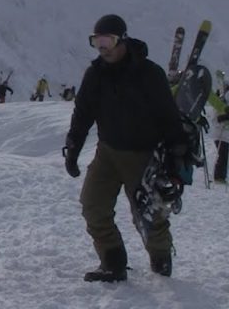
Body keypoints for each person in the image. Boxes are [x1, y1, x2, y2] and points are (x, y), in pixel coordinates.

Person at [63, 14, 189, 282]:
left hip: (143, 156)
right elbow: (82, 113)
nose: (102, 47)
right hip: (107, 153)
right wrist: (73, 147)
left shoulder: (149, 73)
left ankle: (161, 262)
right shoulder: (95, 74)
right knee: (93, 206)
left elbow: (168, 115)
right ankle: (113, 262)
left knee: (148, 214)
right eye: (96, 41)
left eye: (106, 40)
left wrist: (177, 149)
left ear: (122, 39)